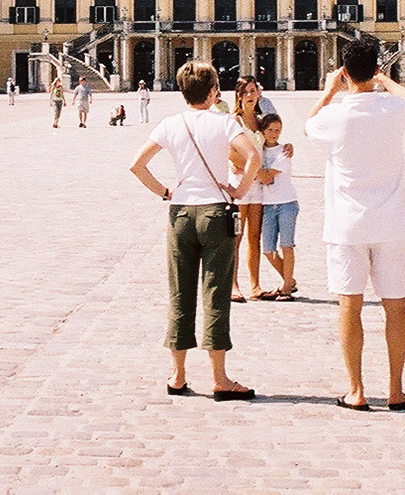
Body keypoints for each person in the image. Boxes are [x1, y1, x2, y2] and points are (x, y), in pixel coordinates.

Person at [127, 60, 260, 402]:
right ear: (214, 91)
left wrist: (165, 192)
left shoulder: (170, 124)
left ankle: (178, 374)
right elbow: (253, 159)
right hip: (216, 213)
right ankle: (220, 378)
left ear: (183, 92)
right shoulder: (224, 123)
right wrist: (240, 190)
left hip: (181, 214)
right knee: (215, 294)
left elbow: (137, 165)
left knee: (180, 294)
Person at [305, 38, 405, 411]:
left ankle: (355, 390)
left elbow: (309, 124)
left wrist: (328, 92)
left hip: (346, 227)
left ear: (343, 71)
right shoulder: (393, 109)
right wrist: (384, 80)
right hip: (390, 224)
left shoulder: (333, 116)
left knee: (349, 307)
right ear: (375, 68)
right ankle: (394, 389)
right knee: (396, 307)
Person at [231, 80, 268, 301]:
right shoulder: (233, 121)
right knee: (236, 236)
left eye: (253, 91)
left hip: (259, 188)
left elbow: (269, 145)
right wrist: (256, 172)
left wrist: (287, 148)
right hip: (239, 185)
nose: (249, 95)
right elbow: (230, 153)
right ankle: (233, 284)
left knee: (255, 236)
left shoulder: (262, 122)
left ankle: (255, 285)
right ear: (238, 96)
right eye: (245, 92)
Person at [256, 112, 299, 299]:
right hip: (267, 205)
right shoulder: (259, 151)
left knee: (287, 245)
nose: (274, 134)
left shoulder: (284, 151)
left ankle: (287, 288)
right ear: (263, 131)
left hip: (286, 203)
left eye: (278, 130)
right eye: (270, 130)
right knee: (267, 250)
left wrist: (250, 169)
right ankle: (289, 280)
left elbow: (267, 176)